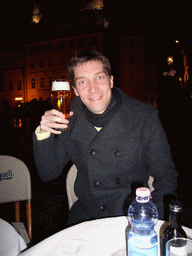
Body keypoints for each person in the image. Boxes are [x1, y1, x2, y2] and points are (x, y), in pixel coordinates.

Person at [33, 50, 178, 226]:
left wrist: (153, 220)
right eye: (83, 81)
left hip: (132, 216)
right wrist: (44, 132)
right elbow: (48, 173)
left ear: (111, 80)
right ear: (75, 90)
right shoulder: (69, 119)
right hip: (87, 218)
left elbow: (166, 176)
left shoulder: (144, 117)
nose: (92, 89)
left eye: (99, 78)